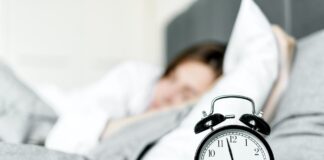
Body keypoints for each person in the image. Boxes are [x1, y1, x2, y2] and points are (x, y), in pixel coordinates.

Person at [40, 41, 227, 154]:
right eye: (171, 78)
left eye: (186, 94)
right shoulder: (135, 76)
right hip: (44, 104)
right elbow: (67, 136)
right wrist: (164, 113)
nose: (168, 94)